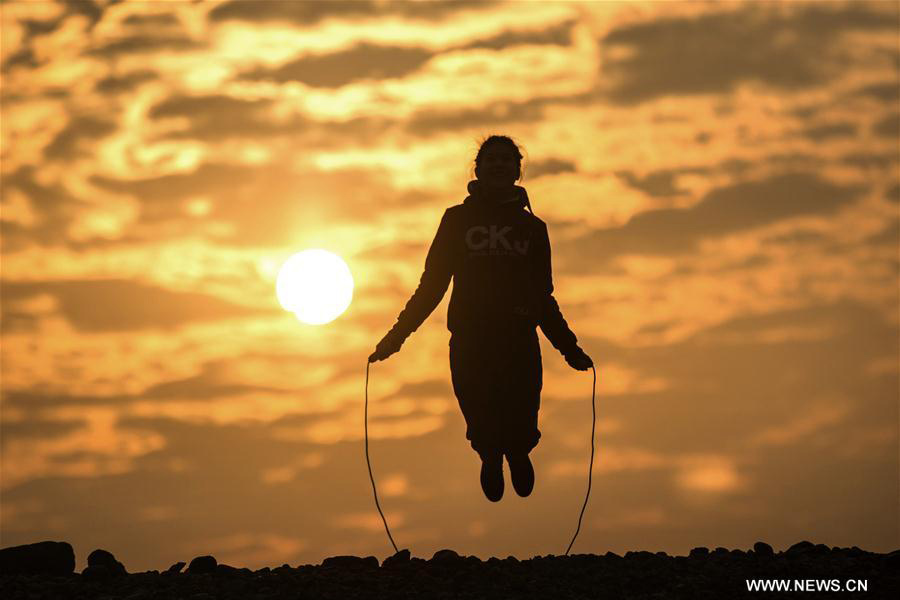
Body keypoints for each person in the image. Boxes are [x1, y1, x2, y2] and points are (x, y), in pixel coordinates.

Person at [368, 135, 593, 502]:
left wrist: (571, 349)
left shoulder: (534, 230)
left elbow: (542, 297)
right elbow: (432, 285)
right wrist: (395, 338)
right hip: (471, 335)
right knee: (478, 406)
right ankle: (490, 457)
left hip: (518, 334)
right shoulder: (456, 220)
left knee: (522, 407)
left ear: (518, 171)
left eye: (507, 159)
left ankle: (518, 454)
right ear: (479, 169)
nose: (500, 164)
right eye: (492, 159)